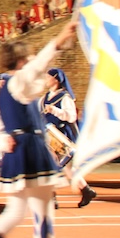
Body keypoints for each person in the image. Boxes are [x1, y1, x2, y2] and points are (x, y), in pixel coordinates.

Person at [0, 22, 76, 238]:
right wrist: (59, 40)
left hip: (20, 155)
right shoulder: (18, 82)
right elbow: (38, 66)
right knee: (44, 214)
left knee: (16, 211)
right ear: (20, 61)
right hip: (32, 153)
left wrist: (3, 142)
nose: (32, 59)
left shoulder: (11, 90)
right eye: (28, 56)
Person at [41, 68, 96, 208]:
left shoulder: (65, 97)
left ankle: (52, 198)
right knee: (64, 168)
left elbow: (71, 116)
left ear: (56, 79)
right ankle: (86, 190)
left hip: (61, 135)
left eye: (48, 77)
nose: (45, 79)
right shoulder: (44, 98)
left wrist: (54, 110)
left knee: (56, 166)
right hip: (49, 135)